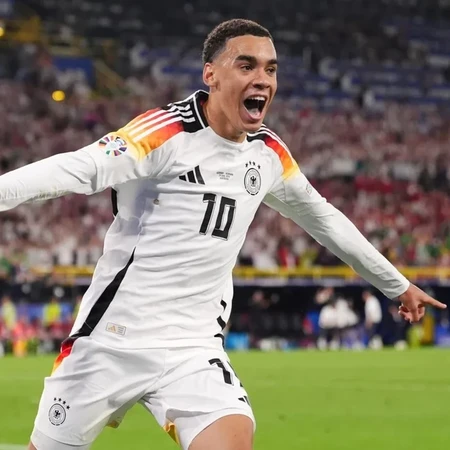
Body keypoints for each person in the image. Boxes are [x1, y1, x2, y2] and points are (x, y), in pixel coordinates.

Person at [0, 18, 446, 450]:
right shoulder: (167, 132)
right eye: (246, 65)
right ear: (210, 74)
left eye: (271, 69)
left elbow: (324, 219)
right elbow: (79, 168)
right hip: (111, 341)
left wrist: (397, 284)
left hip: (193, 350)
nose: (262, 78)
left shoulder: (268, 153)